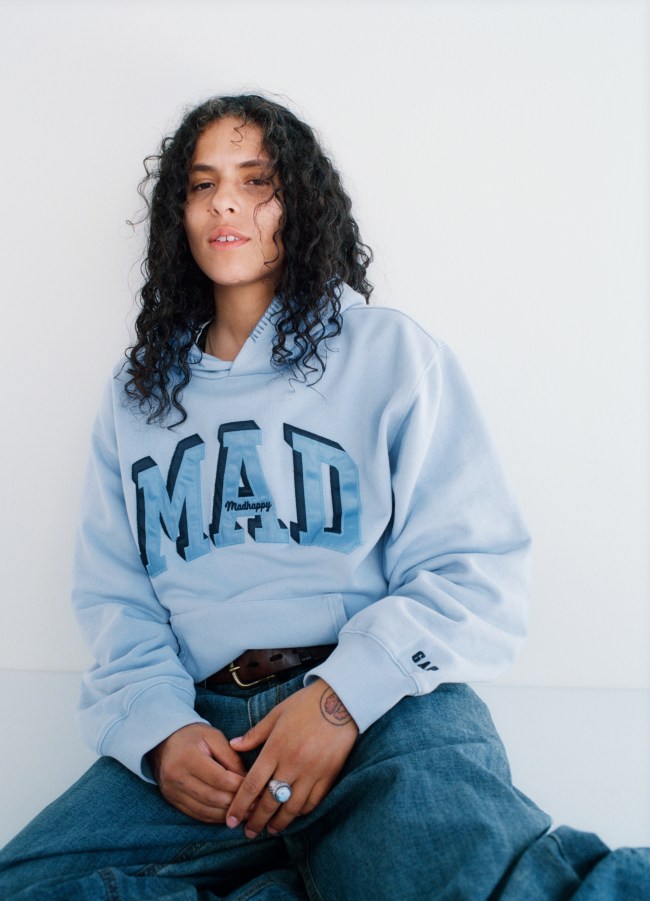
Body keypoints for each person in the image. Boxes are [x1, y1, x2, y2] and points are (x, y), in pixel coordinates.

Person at [0, 93, 647, 901]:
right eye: (202, 185)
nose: (225, 202)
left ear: (300, 204)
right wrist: (161, 734)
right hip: (208, 736)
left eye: (256, 180)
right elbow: (115, 599)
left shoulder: (388, 353)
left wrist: (340, 700)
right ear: (179, 215)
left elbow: (475, 567)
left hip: (378, 711)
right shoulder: (137, 397)